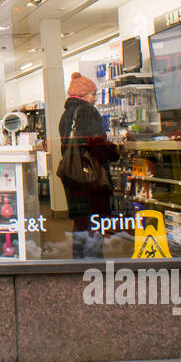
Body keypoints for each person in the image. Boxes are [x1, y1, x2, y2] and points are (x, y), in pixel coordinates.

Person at [57, 72, 119, 259]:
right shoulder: (87, 112)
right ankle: (92, 261)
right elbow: (96, 143)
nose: (95, 99)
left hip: (72, 174)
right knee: (94, 219)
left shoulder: (66, 114)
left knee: (81, 220)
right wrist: (113, 152)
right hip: (90, 176)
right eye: (93, 94)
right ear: (83, 96)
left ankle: (79, 260)